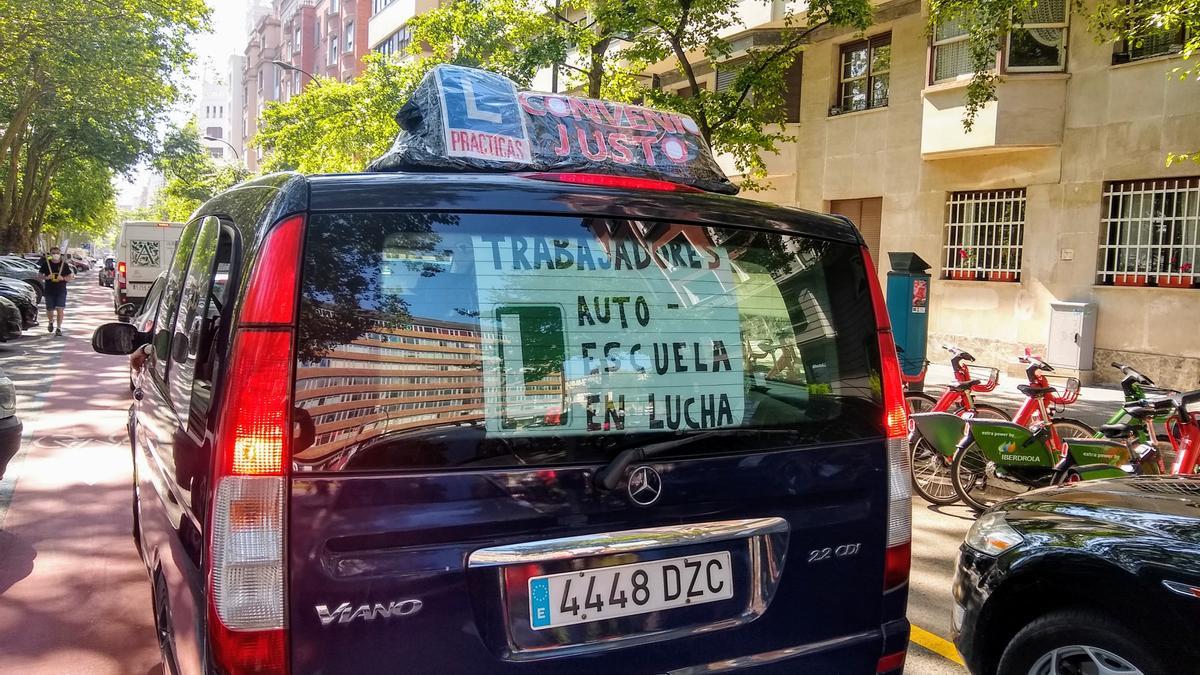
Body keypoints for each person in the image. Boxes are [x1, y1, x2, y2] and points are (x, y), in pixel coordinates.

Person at [39, 246, 74, 336]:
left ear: (60, 254)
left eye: (57, 253)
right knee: (50, 309)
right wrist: (46, 277)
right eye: (53, 253)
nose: (55, 255)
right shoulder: (46, 264)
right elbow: (39, 276)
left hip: (61, 290)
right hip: (49, 290)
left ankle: (58, 328)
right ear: (50, 254)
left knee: (60, 309)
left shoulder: (64, 265)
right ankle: (51, 321)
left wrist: (62, 278)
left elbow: (70, 277)